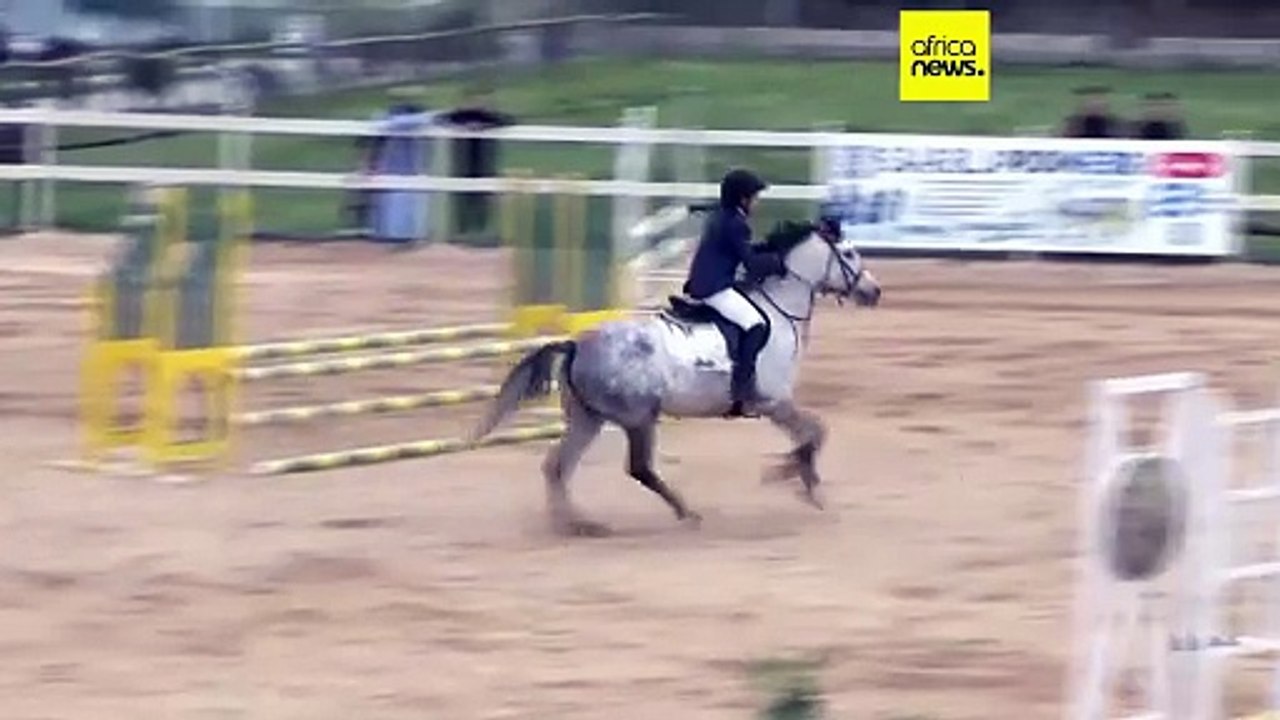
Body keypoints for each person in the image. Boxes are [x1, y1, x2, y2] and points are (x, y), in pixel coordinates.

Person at [683, 168, 786, 418]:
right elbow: (750, 263)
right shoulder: (736, 223)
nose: (757, 203)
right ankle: (743, 392)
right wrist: (780, 262)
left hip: (704, 281)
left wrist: (767, 248)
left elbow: (744, 250)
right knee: (756, 325)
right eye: (755, 197)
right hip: (713, 287)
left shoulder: (724, 215)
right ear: (743, 199)